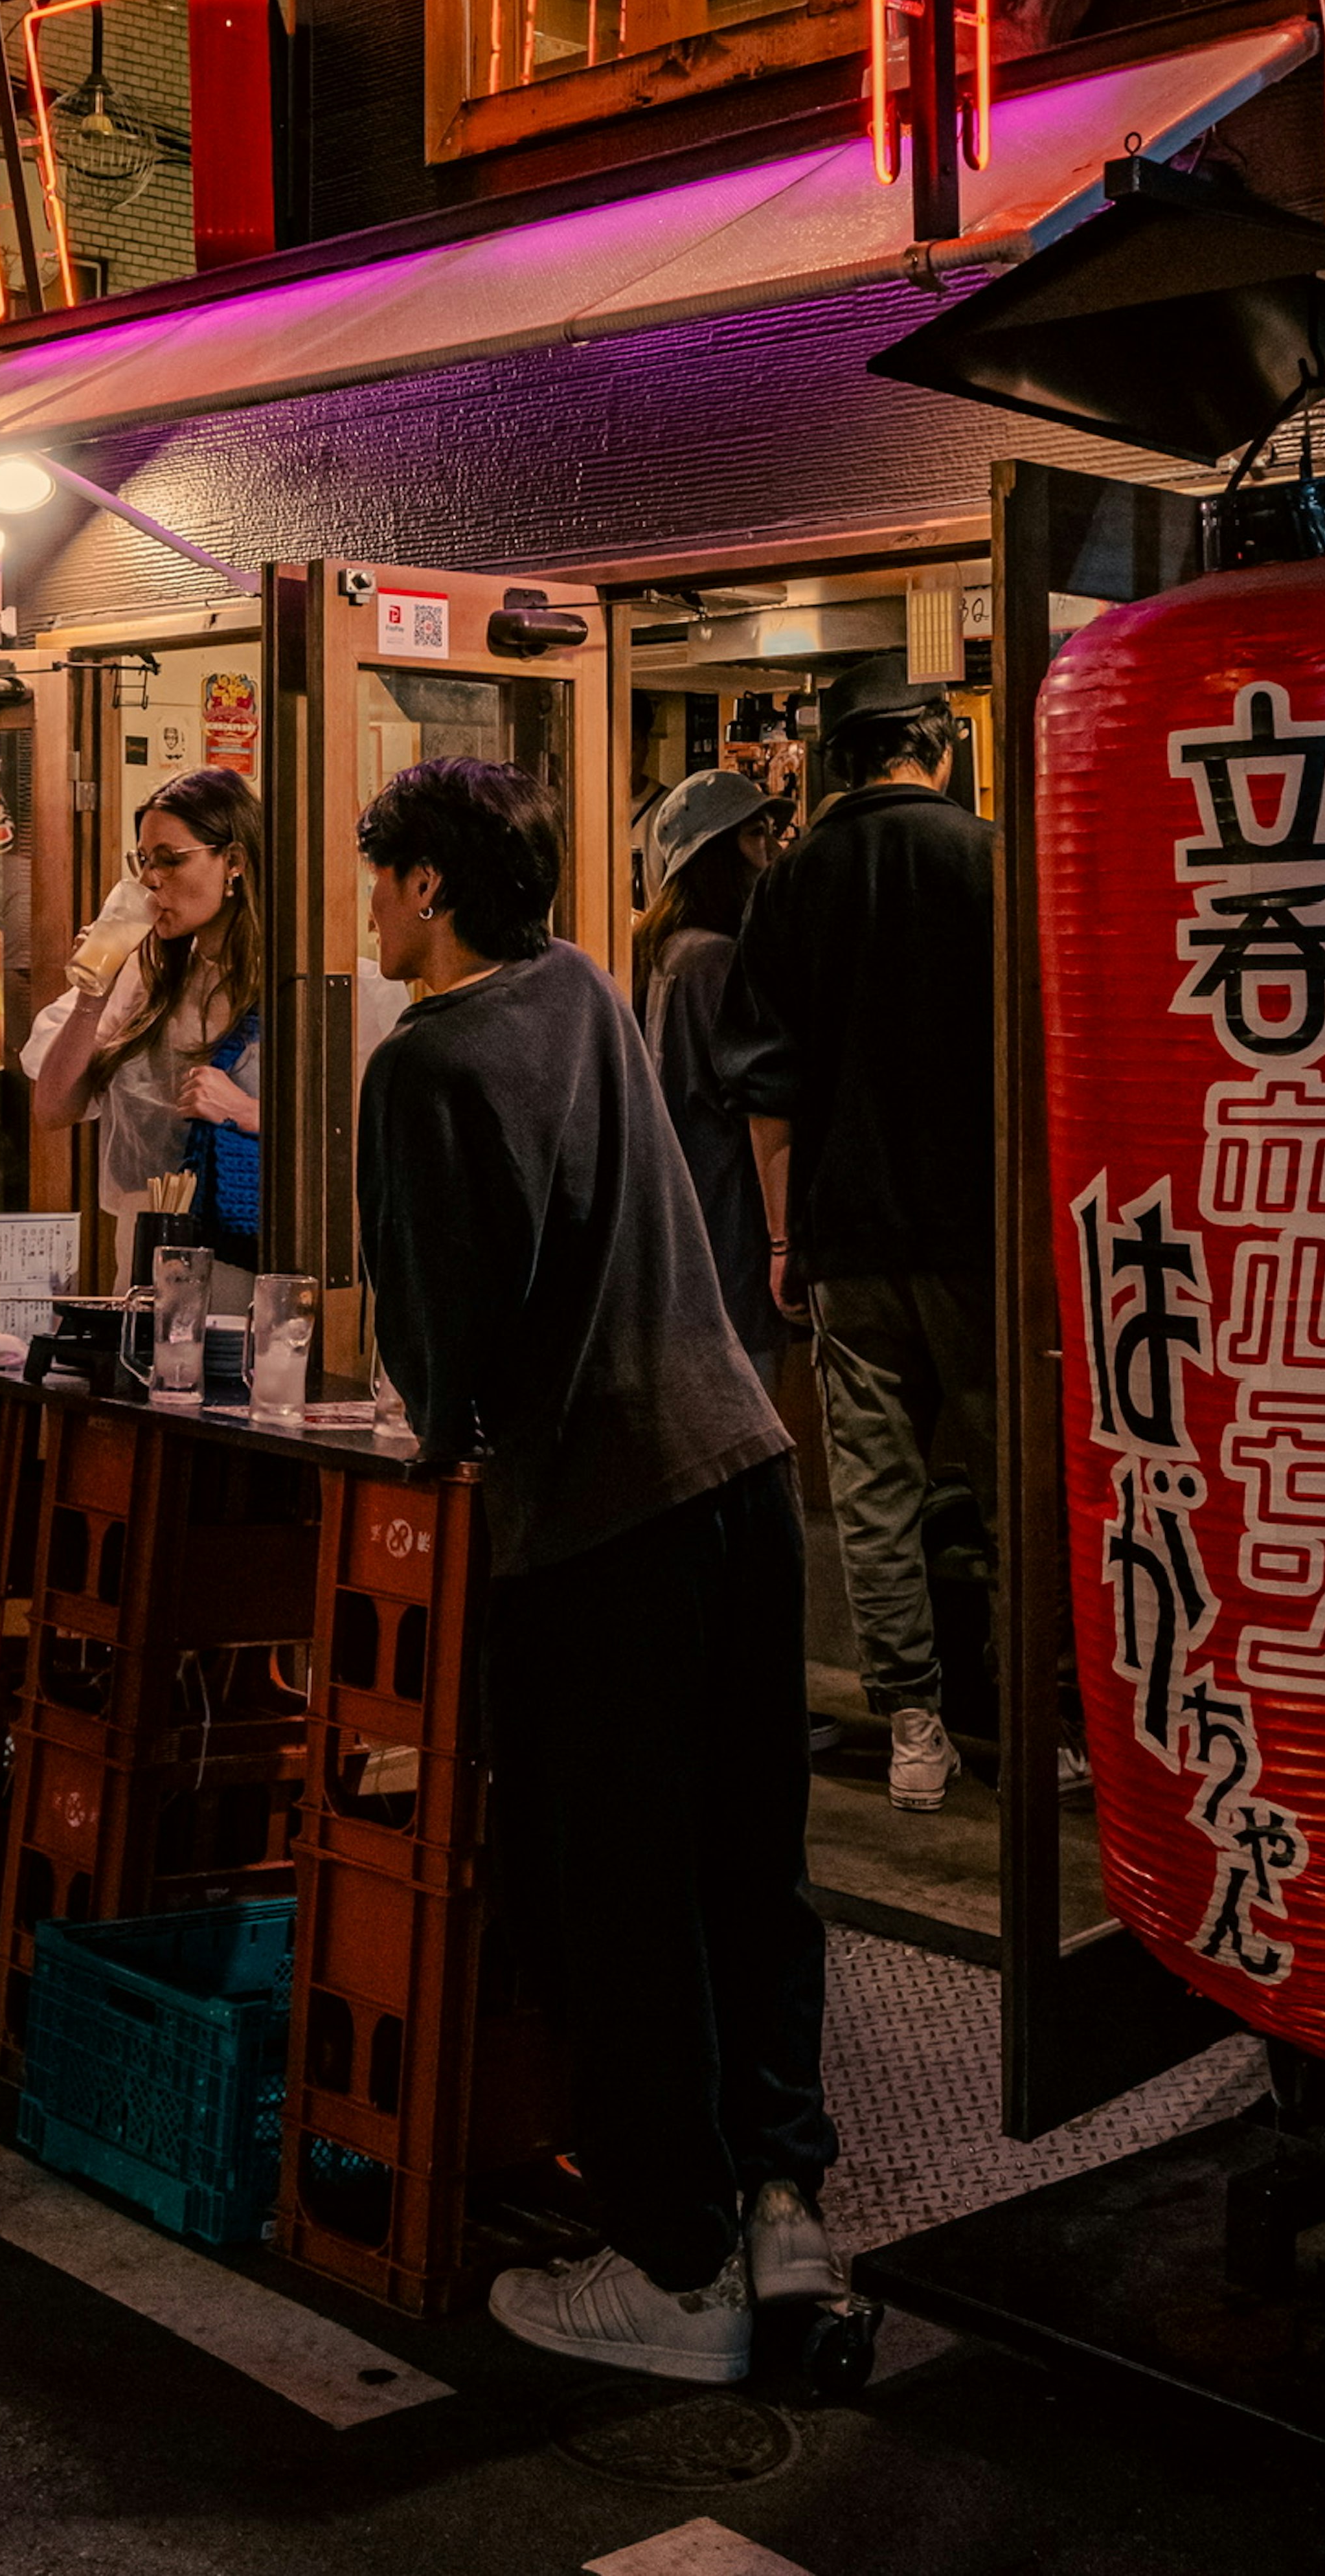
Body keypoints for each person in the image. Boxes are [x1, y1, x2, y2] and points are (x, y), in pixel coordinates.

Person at [358, 758, 836, 2388]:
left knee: (618, 1892)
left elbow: (438, 1345)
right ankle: (781, 2198)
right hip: (739, 1466)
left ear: (429, 884)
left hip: (604, 1520)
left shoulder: (424, 1063)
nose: (369, 909)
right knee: (743, 1863)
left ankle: (675, 2264)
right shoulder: (579, 985)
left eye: (382, 879)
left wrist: (435, 1420)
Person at [721, 651, 998, 1815]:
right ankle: (1047, 1724)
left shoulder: (791, 883)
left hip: (847, 1231)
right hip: (984, 1235)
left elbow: (765, 1089)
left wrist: (786, 1241)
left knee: (874, 1490)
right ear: (937, 750)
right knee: (1010, 1478)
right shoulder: (992, 860)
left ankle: (915, 1727)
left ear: (837, 764)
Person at [32, 769, 262, 1298]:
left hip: (243, 1259)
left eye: (170, 859)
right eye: (144, 861)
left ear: (235, 861)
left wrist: (246, 1111)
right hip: (145, 1253)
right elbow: (52, 1109)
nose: (152, 880)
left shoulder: (292, 982)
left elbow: (355, 1135)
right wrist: (94, 994)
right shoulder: (145, 978)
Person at [632, 767, 784, 1386]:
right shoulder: (719, 960)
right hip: (732, 1235)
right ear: (714, 855)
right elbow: (757, 1098)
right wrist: (782, 1241)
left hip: (678, 1240)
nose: (773, 849)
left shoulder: (663, 954)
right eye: (755, 835)